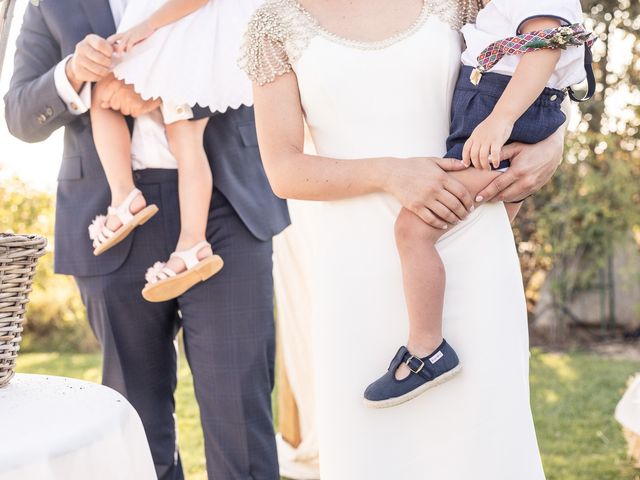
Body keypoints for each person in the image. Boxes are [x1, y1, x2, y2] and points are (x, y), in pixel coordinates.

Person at [241, 0, 567, 477]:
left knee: (488, 445)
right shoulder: (272, 25)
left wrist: (555, 144)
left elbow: (538, 60)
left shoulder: (461, 1)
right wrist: (391, 173)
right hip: (355, 267)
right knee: (375, 451)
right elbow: (285, 170)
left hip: (470, 247)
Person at [4, 1, 289, 479]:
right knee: (135, 423)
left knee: (240, 413)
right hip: (110, 222)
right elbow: (18, 115)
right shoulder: (48, 4)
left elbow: (257, 52)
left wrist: (166, 90)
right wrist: (74, 73)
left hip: (226, 208)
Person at [364, 0, 595, 408]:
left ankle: (427, 350)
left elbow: (544, 48)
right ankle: (493, 338)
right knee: (485, 239)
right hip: (493, 111)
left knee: (413, 229)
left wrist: (500, 118)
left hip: (501, 115)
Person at [89, 0, 261, 302]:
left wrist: (147, 25)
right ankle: (190, 244)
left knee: (103, 93)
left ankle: (127, 199)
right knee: (184, 137)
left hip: (186, 36)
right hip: (190, 38)